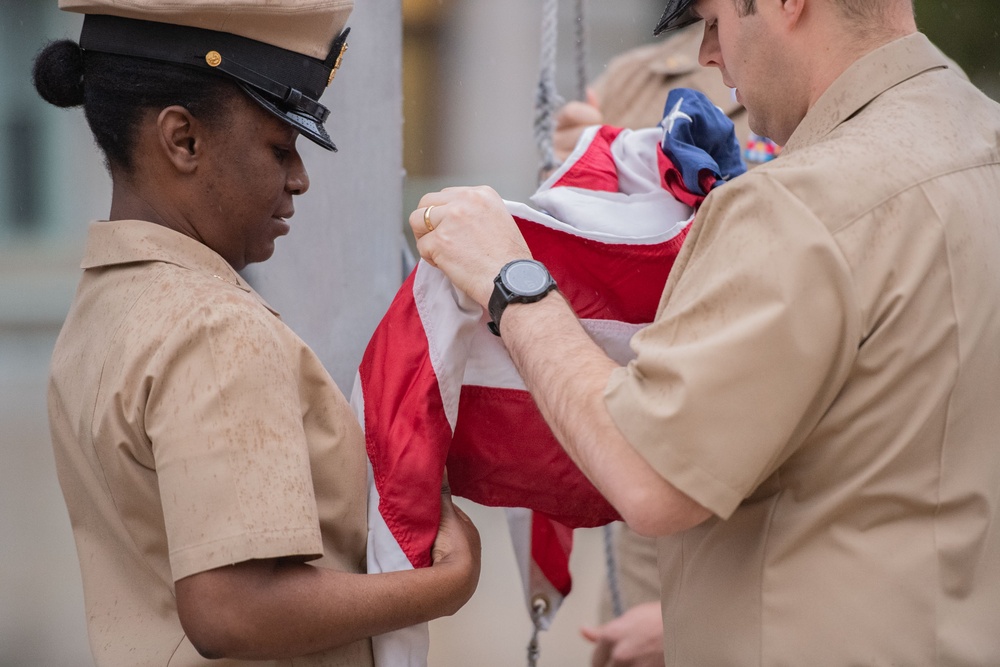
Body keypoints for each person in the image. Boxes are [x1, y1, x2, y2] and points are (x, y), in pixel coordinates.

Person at [409, 0, 1000, 664]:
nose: (707, 55)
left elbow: (648, 473)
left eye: (713, 21)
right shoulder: (984, 138)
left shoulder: (799, 205)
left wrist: (510, 276)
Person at [38, 1, 480, 665]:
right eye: (280, 148)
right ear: (182, 141)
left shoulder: (103, 302)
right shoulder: (214, 325)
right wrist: (439, 587)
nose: (299, 179)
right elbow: (232, 608)